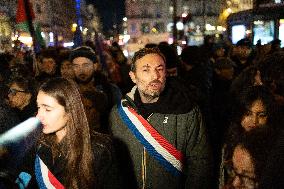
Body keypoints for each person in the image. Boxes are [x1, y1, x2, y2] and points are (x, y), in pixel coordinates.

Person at [109, 47, 213, 189]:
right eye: (146, 70)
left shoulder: (186, 111)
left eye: (160, 69)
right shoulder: (118, 114)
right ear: (133, 76)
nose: (155, 76)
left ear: (166, 73)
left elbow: (200, 163)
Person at [22, 78, 121, 188]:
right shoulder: (38, 144)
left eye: (48, 109)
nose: (38, 116)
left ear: (70, 111)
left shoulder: (99, 150)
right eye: (39, 107)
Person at [219, 85, 280, 187]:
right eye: (248, 114)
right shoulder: (230, 143)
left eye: (261, 115)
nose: (254, 121)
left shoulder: (276, 148)